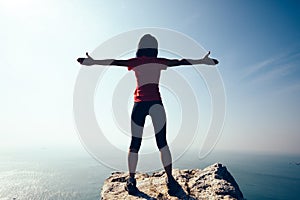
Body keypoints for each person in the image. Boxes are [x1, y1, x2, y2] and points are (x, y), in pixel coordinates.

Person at [77, 34, 218, 196]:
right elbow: (181, 62)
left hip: (139, 105)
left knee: (134, 144)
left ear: (140, 48)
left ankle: (131, 180)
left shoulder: (134, 62)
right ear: (155, 49)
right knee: (162, 143)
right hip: (156, 104)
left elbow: (113, 62)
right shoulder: (159, 62)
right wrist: (203, 61)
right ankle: (170, 179)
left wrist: (92, 62)